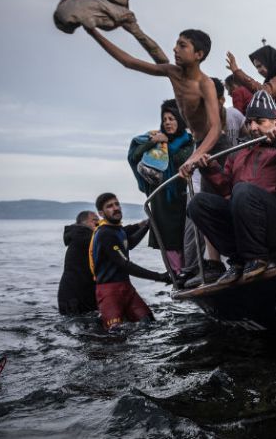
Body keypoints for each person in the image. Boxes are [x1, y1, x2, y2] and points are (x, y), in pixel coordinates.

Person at [186, 91, 276, 285]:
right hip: (246, 219)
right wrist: (209, 168)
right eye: (249, 122)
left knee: (243, 190)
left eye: (260, 121)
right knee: (198, 203)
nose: (253, 127)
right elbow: (226, 189)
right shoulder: (240, 152)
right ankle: (238, 261)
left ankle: (257, 258)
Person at [83, 26, 224, 180]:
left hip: (214, 145)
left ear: (199, 54)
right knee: (200, 197)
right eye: (176, 44)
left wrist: (194, 157)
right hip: (198, 144)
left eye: (182, 46)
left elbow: (216, 128)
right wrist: (93, 32)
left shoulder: (205, 84)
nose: (175, 49)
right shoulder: (172, 72)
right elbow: (128, 62)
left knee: (222, 192)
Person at [127, 99, 194, 275]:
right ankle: (177, 274)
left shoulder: (188, 141)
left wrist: (166, 145)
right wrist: (153, 142)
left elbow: (181, 158)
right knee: (167, 239)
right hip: (161, 198)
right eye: (164, 119)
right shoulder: (154, 138)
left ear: (179, 120)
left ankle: (191, 270)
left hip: (182, 196)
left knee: (186, 236)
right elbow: (134, 156)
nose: (167, 122)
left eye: (171, 118)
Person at [90, 193, 167, 330]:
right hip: (109, 292)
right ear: (101, 213)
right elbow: (125, 265)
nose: (115, 208)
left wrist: (148, 226)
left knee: (149, 323)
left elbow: (129, 244)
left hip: (126, 288)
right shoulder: (104, 234)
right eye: (110, 206)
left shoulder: (117, 229)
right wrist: (159, 277)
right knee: (116, 334)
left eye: (116, 204)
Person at [57, 210, 100, 315]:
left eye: (99, 220)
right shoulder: (84, 236)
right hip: (74, 296)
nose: (99, 223)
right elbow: (112, 241)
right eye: (94, 220)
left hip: (77, 293)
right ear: (83, 223)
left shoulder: (83, 236)